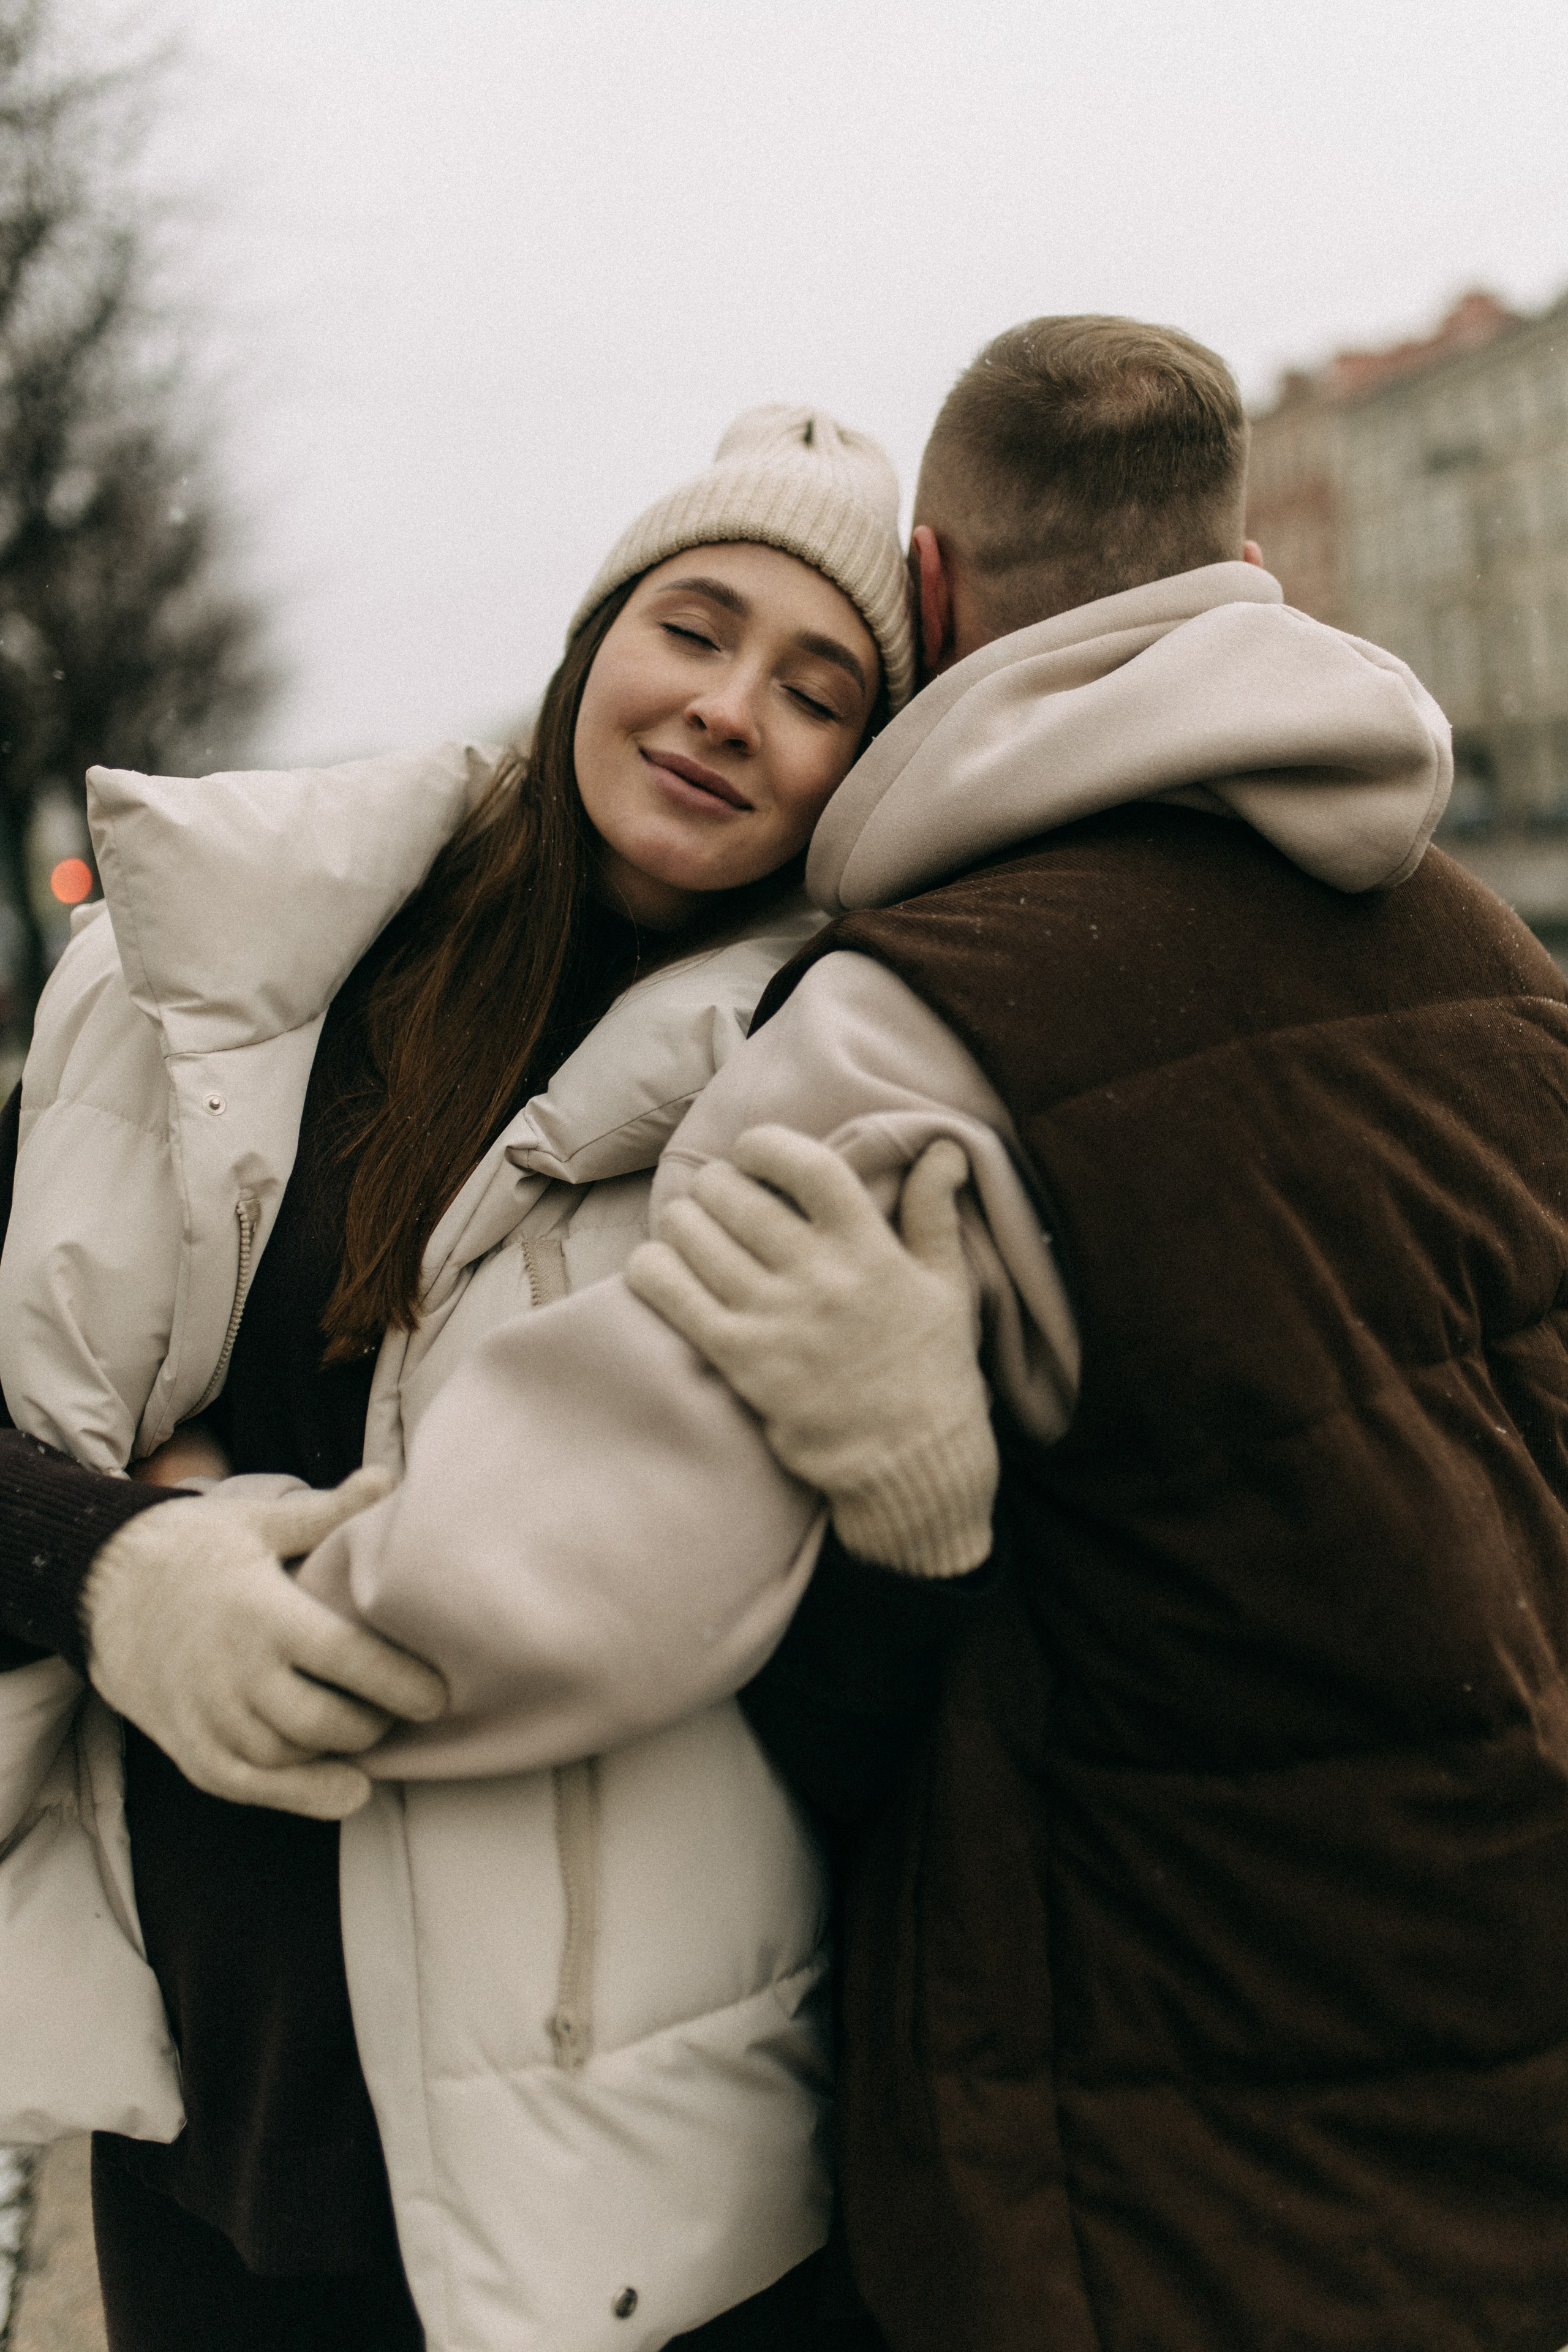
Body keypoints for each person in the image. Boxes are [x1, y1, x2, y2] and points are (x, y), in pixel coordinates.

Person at [281, 318, 1568, 2350]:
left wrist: (155, 1568)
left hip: (1150, 2096)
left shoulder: (898, 1029)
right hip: (1495, 2019)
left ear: (935, 595)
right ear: (1249, 576)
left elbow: (520, 1605)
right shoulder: (1486, 954)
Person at [0, 404, 916, 2350]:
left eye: (818, 686)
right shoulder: (207, 995)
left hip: (619, 2178)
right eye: (695, 625)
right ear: (596, 643)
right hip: (213, 2110)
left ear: (860, 767)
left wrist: (924, 1488)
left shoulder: (842, 1099)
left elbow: (835, 1701)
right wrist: (111, 1569)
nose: (731, 706)